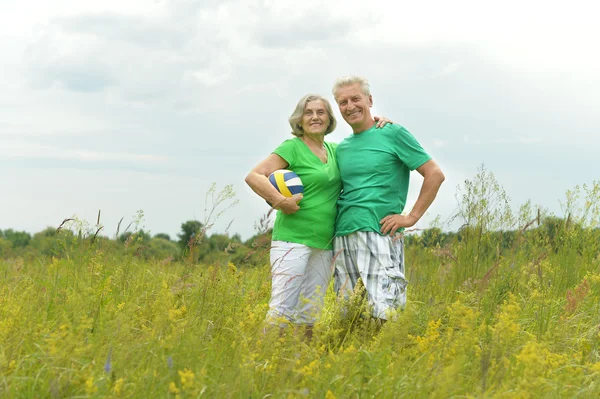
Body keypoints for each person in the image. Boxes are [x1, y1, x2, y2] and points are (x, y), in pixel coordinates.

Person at [245, 93, 390, 337]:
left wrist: (378, 125)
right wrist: (280, 201)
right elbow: (254, 176)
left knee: (309, 314)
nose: (315, 117)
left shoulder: (335, 150)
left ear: (329, 119)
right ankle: (263, 362)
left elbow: (362, 145)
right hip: (292, 240)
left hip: (324, 244)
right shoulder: (292, 147)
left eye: (321, 112)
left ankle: (300, 366)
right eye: (308, 113)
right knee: (281, 309)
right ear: (299, 120)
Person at [331, 75, 446, 322]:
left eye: (355, 99)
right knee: (349, 314)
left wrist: (411, 217)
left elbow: (434, 174)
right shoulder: (342, 148)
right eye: (342, 102)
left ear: (370, 100)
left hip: (378, 231)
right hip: (342, 235)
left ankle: (392, 358)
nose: (350, 106)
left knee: (385, 312)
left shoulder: (393, 133)